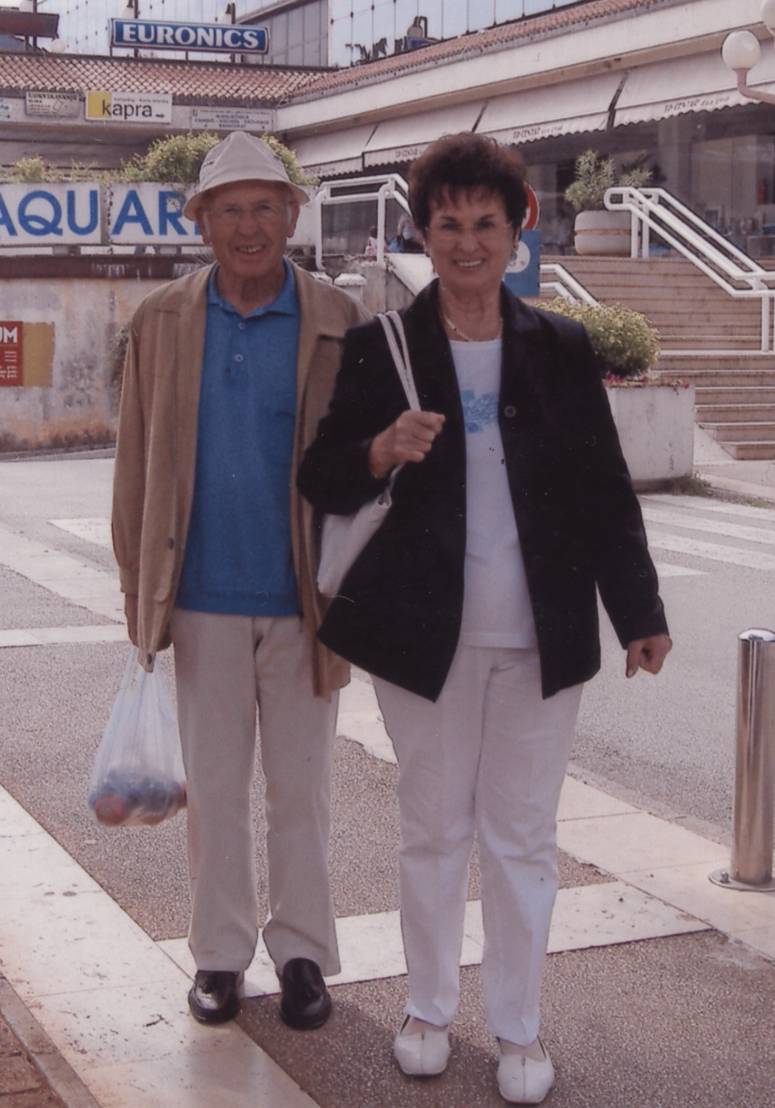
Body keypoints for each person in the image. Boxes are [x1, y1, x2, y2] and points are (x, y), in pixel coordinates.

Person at [298, 133, 671, 1104]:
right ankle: (427, 1007)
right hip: (421, 633)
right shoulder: (382, 345)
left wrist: (639, 611)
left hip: (539, 629)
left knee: (519, 836)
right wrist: (379, 448)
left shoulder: (561, 345)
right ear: (421, 231)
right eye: (447, 224)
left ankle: (517, 1026)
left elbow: (603, 491)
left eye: (485, 223)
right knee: (431, 827)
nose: (466, 243)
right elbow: (322, 474)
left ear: (519, 229)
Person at [112, 130, 369, 1031]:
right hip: (201, 599)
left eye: (265, 206)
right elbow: (135, 465)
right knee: (214, 791)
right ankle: (219, 957)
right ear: (204, 223)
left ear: (293, 216)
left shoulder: (341, 316)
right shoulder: (163, 322)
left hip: (308, 600)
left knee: (301, 792)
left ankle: (302, 953)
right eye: (231, 210)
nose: (249, 226)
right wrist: (137, 596)